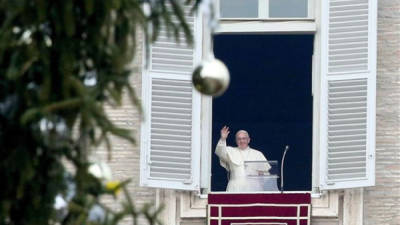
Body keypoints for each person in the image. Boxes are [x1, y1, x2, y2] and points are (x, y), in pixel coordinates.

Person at [215, 126, 271, 192]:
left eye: (244, 138)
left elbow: (267, 174)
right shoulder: (230, 151)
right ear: (236, 141)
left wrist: (261, 175)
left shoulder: (258, 154)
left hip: (254, 188)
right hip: (235, 188)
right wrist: (223, 139)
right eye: (239, 139)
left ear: (248, 140)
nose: (241, 141)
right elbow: (220, 152)